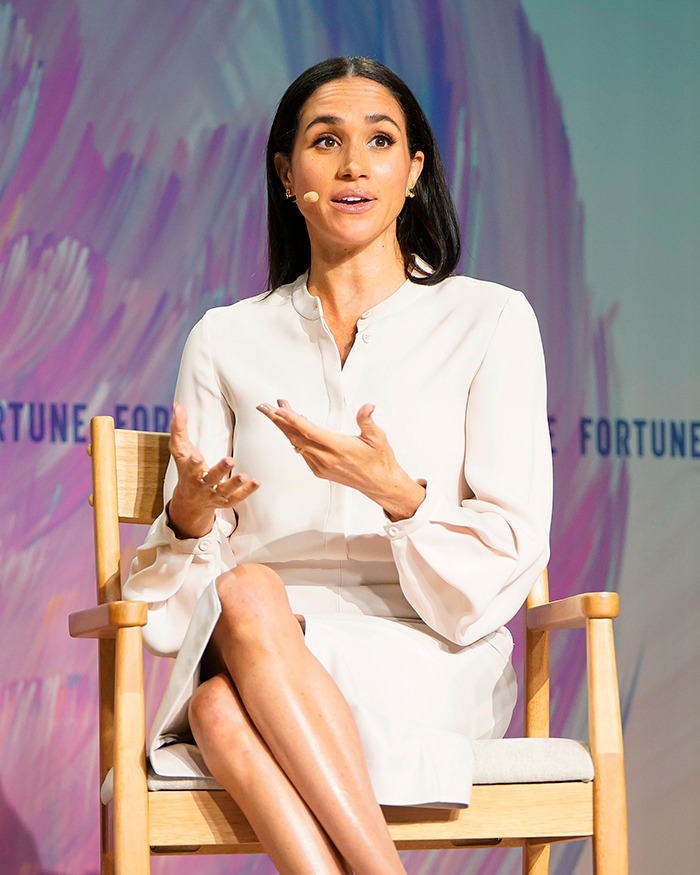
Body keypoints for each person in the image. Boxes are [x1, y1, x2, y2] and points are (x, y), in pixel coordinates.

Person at [123, 56, 552, 875]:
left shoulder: (490, 320)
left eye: (380, 141)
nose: (354, 164)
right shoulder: (226, 338)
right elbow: (183, 601)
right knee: (244, 603)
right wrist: (189, 515)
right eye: (326, 141)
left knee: (219, 702)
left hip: (428, 649)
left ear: (413, 171)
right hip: (259, 637)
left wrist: (401, 497)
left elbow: (512, 540)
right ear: (287, 174)